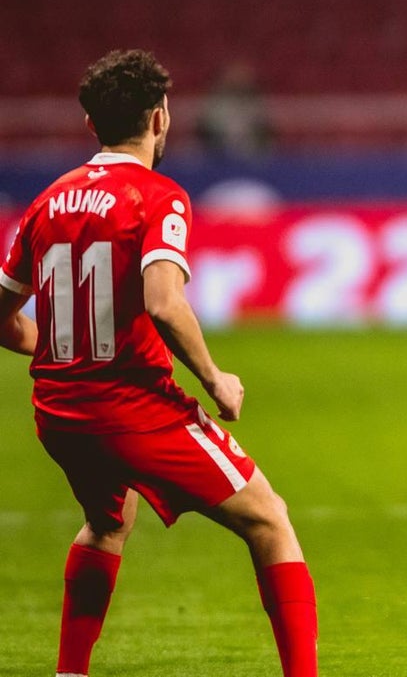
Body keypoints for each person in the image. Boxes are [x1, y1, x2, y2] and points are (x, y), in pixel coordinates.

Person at [0, 50, 318, 677]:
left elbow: (2, 316)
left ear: (91, 124)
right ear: (160, 118)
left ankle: (69, 672)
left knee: (106, 523)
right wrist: (216, 379)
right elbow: (165, 303)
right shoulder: (159, 197)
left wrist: (63, 349)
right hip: (135, 411)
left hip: (60, 414)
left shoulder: (46, 202)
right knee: (270, 520)